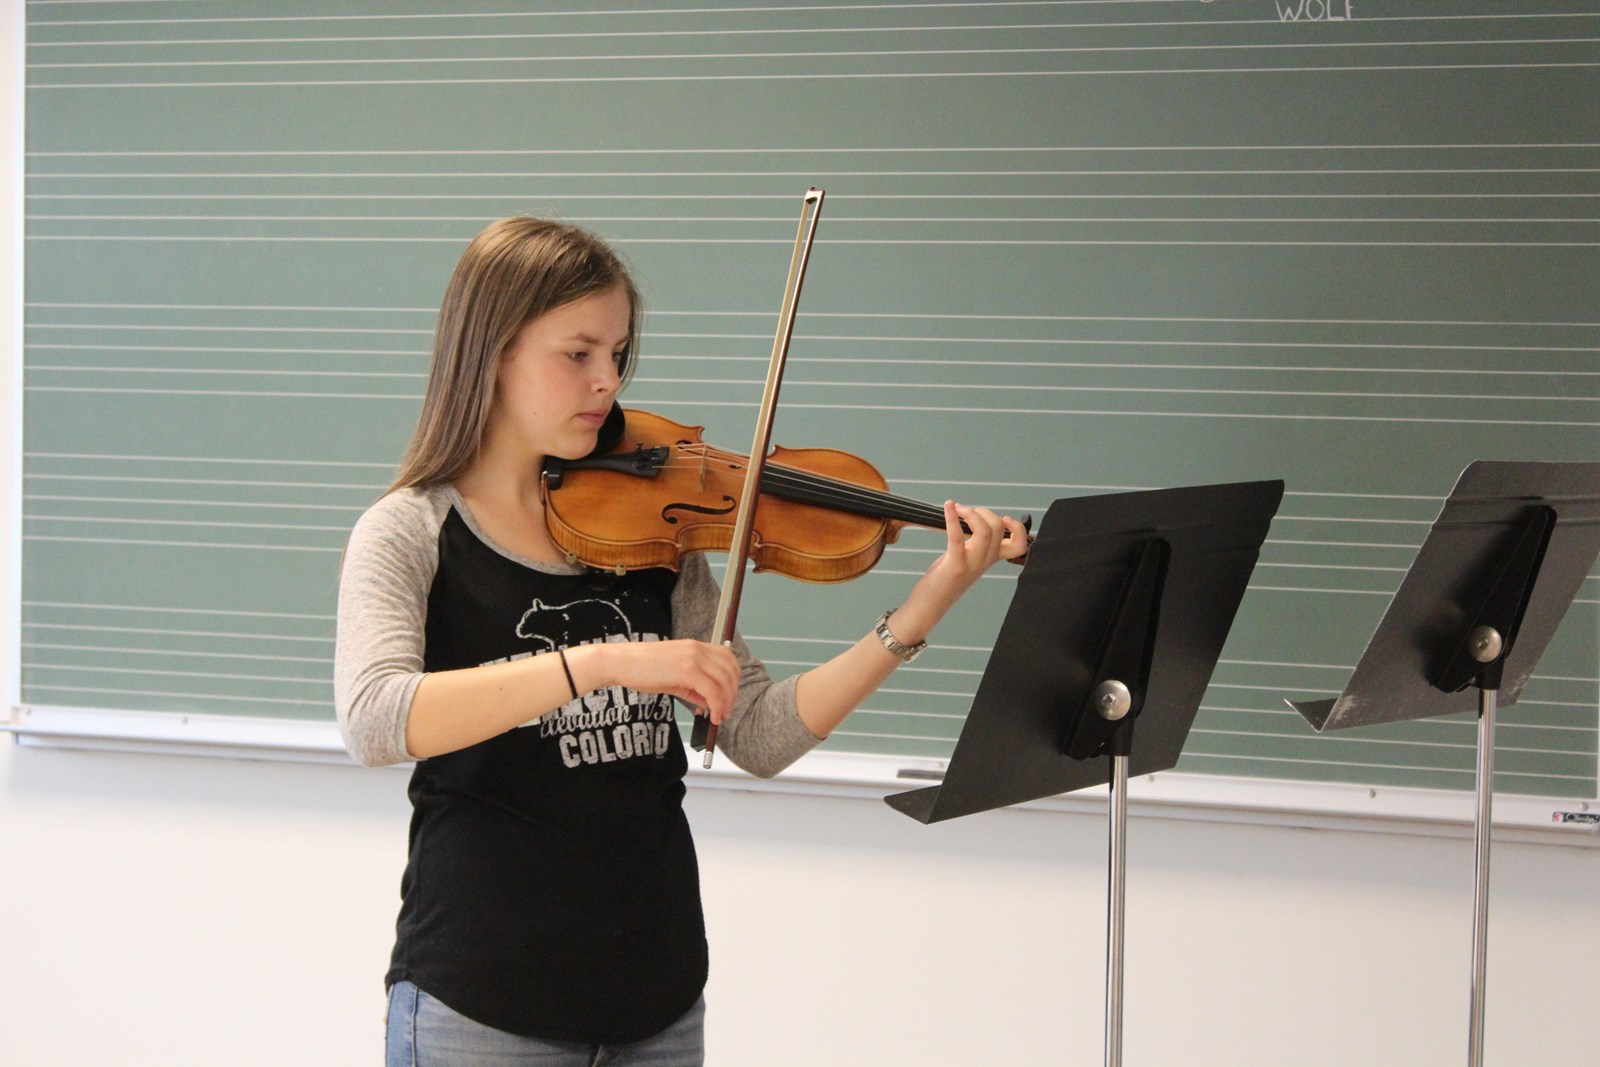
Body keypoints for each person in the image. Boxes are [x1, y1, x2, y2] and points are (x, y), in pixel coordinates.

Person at [334, 217, 1029, 1066]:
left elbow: (759, 732)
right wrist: (604, 661)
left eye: (617, 352)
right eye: (577, 353)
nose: (607, 381)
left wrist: (921, 607)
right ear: (493, 351)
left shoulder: (651, 531)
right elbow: (374, 717)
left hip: (656, 1004)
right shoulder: (410, 531)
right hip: (482, 1007)